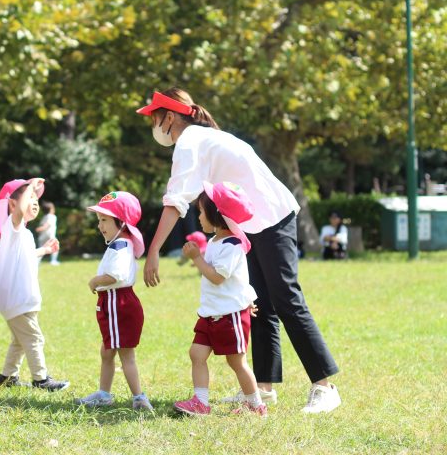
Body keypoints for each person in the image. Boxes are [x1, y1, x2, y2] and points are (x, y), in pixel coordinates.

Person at [137, 88, 341, 413]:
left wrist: (154, 250)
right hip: (251, 226)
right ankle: (262, 388)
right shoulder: (204, 138)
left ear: (170, 117)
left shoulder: (190, 141)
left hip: (273, 216)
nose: (153, 125)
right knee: (256, 303)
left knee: (287, 299)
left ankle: (324, 386)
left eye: (153, 117)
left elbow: (176, 199)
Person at [173, 182, 265, 416]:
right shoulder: (215, 242)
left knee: (236, 362)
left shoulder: (232, 245)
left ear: (217, 214)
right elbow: (239, 278)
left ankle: (255, 405)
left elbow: (217, 277)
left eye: (202, 211)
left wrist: (196, 258)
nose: (199, 216)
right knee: (196, 354)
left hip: (229, 315)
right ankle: (201, 402)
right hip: (210, 312)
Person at [76, 191, 153, 411]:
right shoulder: (120, 244)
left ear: (122, 222)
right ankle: (103, 393)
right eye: (99, 220)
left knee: (125, 354)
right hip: (115, 302)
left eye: (104, 220)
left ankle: (139, 397)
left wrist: (95, 281)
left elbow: (115, 276)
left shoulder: (120, 246)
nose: (100, 226)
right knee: (107, 351)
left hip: (117, 303)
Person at [0, 178, 69, 391]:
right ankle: (41, 380)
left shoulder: (24, 233)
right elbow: (17, 216)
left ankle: (7, 378)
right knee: (34, 338)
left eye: (36, 198)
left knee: (19, 341)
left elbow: (25, 257)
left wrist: (44, 250)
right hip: (17, 299)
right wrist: (30, 187)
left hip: (24, 299)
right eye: (30, 198)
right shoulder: (12, 226)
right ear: (13, 205)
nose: (34, 202)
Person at [35, 201, 60, 265]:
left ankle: (37, 261)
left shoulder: (44, 217)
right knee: (55, 247)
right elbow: (47, 225)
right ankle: (53, 260)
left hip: (42, 236)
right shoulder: (52, 216)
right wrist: (42, 228)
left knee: (41, 249)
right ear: (51, 209)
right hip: (50, 235)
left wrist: (40, 229)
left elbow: (43, 225)